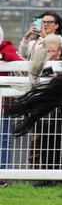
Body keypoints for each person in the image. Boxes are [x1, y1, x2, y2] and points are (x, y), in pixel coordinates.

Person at [28, 35, 62, 186]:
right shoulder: (39, 63)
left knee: (60, 145)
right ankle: (46, 177)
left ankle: (58, 177)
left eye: (54, 50)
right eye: (48, 50)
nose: (52, 54)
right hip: (46, 111)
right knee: (46, 144)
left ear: (59, 50)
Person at [0, 25, 24, 187]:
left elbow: (19, 61)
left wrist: (3, 55)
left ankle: (3, 175)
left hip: (4, 105)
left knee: (4, 141)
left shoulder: (7, 47)